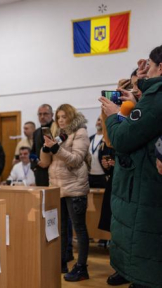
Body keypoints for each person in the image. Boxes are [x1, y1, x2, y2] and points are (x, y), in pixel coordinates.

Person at [100, 46, 162, 288]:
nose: (143, 70)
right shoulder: (149, 98)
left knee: (145, 272)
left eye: (149, 64)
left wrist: (115, 113)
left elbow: (122, 139)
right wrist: (134, 102)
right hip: (141, 193)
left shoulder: (156, 98)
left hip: (145, 196)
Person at [39, 104, 90, 282]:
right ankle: (60, 262)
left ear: (71, 117)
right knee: (59, 229)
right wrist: (46, 148)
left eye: (64, 117)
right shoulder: (58, 134)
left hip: (75, 188)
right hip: (57, 188)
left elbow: (76, 160)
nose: (60, 120)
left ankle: (82, 268)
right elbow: (44, 163)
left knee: (79, 229)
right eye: (58, 117)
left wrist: (56, 149)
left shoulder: (80, 132)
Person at [32, 104, 56, 186]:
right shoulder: (36, 132)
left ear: (52, 115)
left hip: (55, 172)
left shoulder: (58, 130)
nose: (42, 116)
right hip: (40, 173)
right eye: (40, 114)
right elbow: (32, 152)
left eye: (45, 114)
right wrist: (37, 163)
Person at [88, 116, 111, 188]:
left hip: (102, 176)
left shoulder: (108, 139)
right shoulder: (90, 138)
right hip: (90, 176)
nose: (99, 122)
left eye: (102, 120)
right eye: (98, 120)